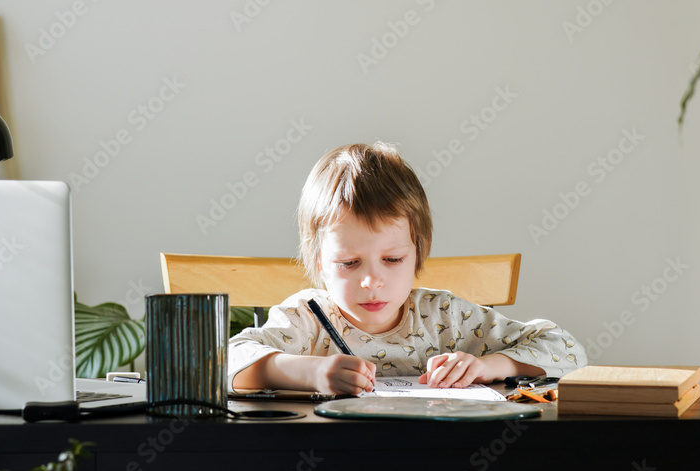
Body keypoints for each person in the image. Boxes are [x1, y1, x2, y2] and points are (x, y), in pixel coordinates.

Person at [228, 142, 586, 395]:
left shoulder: (443, 316)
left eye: (393, 259)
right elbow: (222, 361)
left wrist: (488, 366)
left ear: (418, 252)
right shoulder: (307, 318)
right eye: (348, 263)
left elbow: (568, 350)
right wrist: (311, 372)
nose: (371, 281)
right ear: (319, 262)